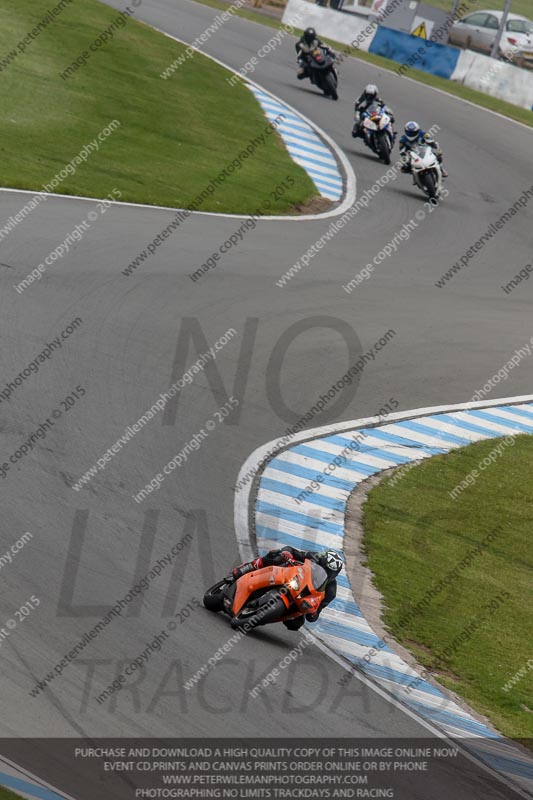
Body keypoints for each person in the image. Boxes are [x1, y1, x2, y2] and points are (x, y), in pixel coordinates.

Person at [226, 547, 344, 631]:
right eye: (324, 568)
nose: (326, 572)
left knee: (296, 623)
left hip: (300, 597)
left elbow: (315, 614)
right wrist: (287, 553)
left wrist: (313, 612)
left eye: (330, 572)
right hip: (289, 576)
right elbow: (292, 551)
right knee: (275, 557)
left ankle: (264, 615)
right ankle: (247, 568)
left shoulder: (330, 591)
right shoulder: (313, 557)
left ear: (334, 575)